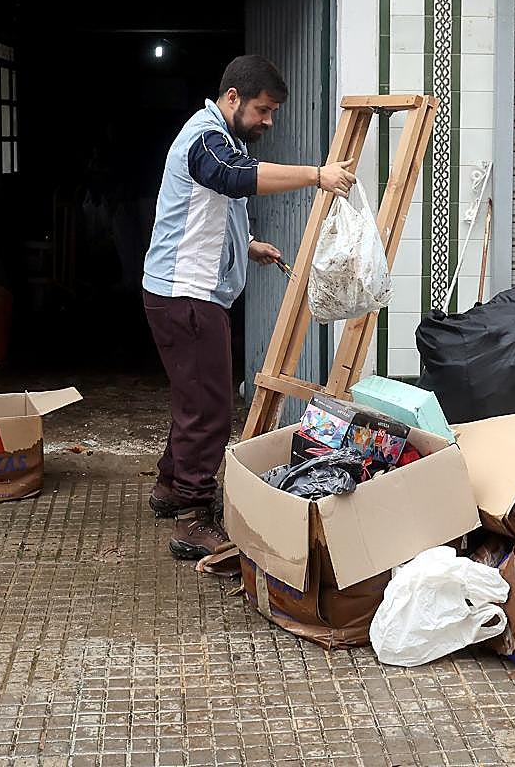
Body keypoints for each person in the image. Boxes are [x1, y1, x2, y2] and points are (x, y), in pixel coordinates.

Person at [142, 55, 358, 559]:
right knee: (210, 409)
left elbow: (212, 208)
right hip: (186, 296)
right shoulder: (206, 140)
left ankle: (171, 487)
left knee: (194, 397)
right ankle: (194, 518)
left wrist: (250, 244)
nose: (268, 121)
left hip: (183, 293)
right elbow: (232, 178)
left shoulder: (222, 138)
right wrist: (317, 176)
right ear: (232, 97)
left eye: (273, 113)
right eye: (263, 110)